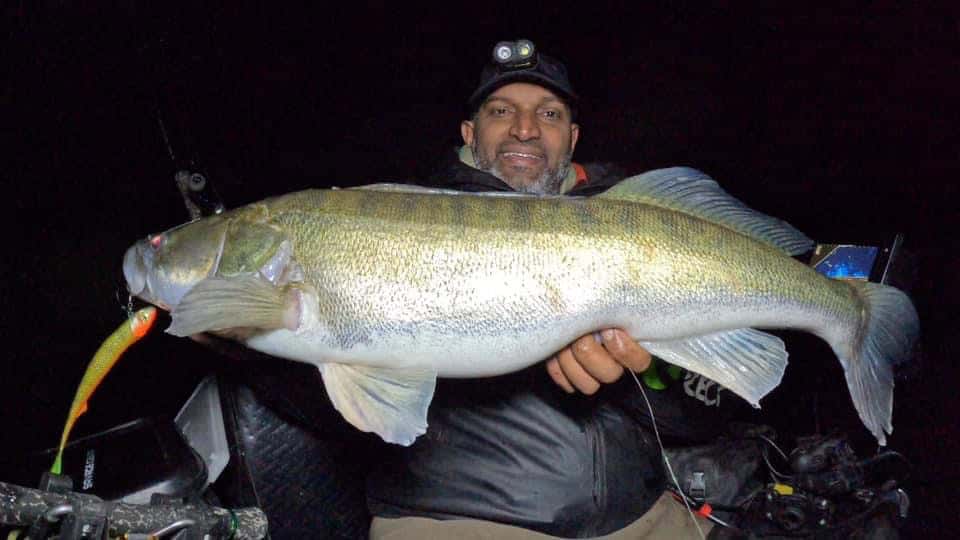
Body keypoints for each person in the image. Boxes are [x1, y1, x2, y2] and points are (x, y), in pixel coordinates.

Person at [366, 40, 741, 539]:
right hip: (463, 520)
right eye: (501, 111)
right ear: (468, 132)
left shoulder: (636, 225)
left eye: (549, 113)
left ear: (572, 137)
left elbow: (702, 418)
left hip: (644, 516)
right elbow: (323, 384)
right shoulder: (397, 222)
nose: (525, 128)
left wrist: (638, 371)